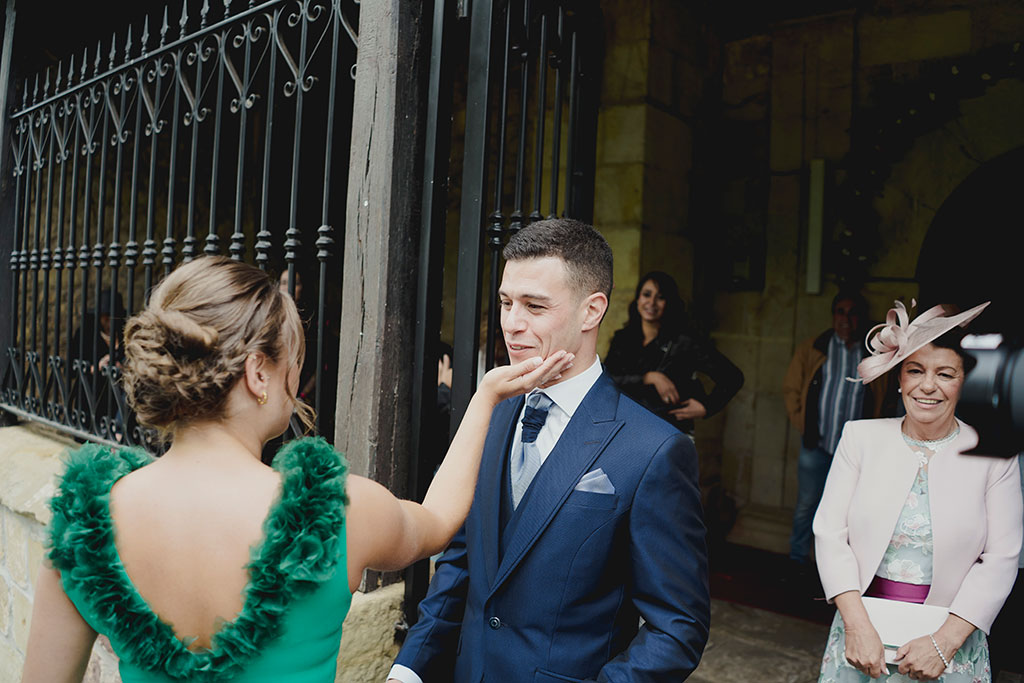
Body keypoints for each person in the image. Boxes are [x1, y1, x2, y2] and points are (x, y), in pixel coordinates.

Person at [21, 255, 572, 683]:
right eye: (294, 359)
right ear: (259, 373)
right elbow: (437, 518)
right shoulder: (338, 512)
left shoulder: (84, 529)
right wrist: (484, 399)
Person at [388, 219, 710, 683]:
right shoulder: (492, 413)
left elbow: (678, 627)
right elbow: (461, 564)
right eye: (505, 302)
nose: (512, 324)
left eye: (534, 306)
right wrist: (409, 669)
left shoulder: (655, 450)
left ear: (591, 311)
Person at [814, 300, 1022, 682]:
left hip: (948, 643)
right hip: (862, 635)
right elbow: (829, 533)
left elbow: (1002, 557)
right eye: (915, 371)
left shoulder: (994, 453)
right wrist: (857, 627)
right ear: (898, 377)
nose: (928, 386)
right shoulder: (860, 438)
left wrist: (945, 642)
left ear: (965, 380)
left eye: (945, 373)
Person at [783, 290, 892, 565]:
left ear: (861, 318)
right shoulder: (814, 348)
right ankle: (797, 561)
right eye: (840, 312)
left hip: (855, 454)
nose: (846, 319)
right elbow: (791, 390)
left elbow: (883, 398)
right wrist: (804, 426)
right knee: (807, 505)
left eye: (852, 312)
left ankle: (837, 568)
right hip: (816, 446)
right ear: (833, 316)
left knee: (849, 513)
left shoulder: (873, 354)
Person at [604, 271, 744, 434]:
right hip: (627, 428)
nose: (652, 302)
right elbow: (607, 380)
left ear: (669, 303)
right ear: (638, 299)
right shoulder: (623, 338)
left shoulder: (684, 342)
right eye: (646, 295)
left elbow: (732, 377)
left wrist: (707, 406)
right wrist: (649, 378)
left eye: (660, 297)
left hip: (669, 432)